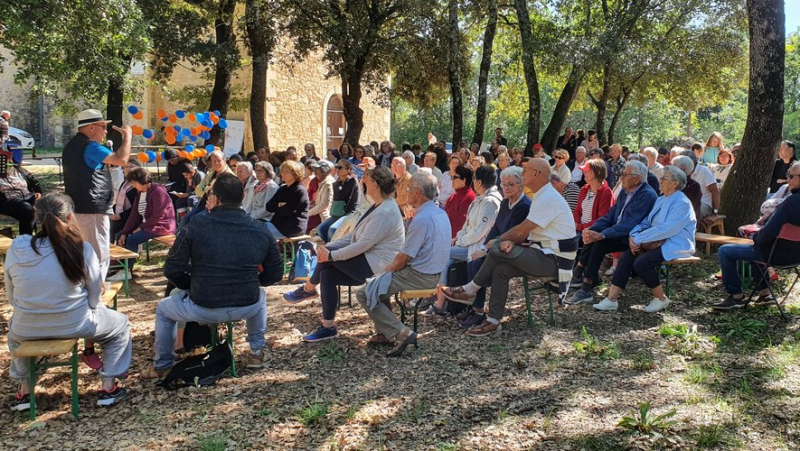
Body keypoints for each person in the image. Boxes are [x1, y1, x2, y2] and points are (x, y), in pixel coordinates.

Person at [143, 174, 283, 378]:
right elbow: (276, 272)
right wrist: (253, 282)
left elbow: (172, 269)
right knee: (260, 297)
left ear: (215, 198)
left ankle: (163, 365)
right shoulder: (260, 229)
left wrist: (191, 286)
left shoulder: (195, 226)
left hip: (203, 305)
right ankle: (256, 352)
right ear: (243, 197)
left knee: (164, 309)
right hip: (247, 303)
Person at [6, 194, 132, 408]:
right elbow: (94, 296)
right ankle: (108, 387)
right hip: (75, 322)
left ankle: (25, 391)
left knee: (14, 335)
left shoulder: (18, 248)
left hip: (26, 325)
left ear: (36, 218)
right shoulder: (82, 249)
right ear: (71, 217)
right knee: (120, 326)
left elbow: (11, 295)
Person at [443, 159, 578, 336]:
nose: (523, 174)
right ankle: (493, 320)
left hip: (554, 261)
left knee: (497, 248)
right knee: (501, 269)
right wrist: (507, 241)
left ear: (536, 174)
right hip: (542, 253)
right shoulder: (542, 195)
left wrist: (499, 241)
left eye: (525, 170)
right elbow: (525, 232)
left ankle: (470, 290)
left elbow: (522, 230)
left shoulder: (547, 198)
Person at [283, 167, 405, 341]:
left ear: (375, 184)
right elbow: (353, 237)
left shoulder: (385, 211)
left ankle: (308, 289)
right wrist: (329, 248)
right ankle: (328, 326)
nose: (363, 180)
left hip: (378, 266)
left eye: (367, 177)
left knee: (327, 263)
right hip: (368, 260)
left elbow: (362, 244)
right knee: (327, 274)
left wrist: (331, 256)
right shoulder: (377, 206)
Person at [358, 173, 451, 356]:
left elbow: (404, 258)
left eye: (408, 190)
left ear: (417, 193)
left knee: (364, 292)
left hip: (420, 276)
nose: (406, 193)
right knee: (379, 284)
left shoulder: (422, 219)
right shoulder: (440, 213)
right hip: (434, 273)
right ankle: (386, 333)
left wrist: (386, 271)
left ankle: (401, 331)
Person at [592, 166, 696, 313]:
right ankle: (611, 299)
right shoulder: (661, 200)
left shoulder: (682, 203)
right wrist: (633, 236)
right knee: (628, 256)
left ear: (675, 183)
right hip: (655, 241)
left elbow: (667, 229)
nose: (660, 180)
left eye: (664, 178)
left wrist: (639, 239)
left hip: (676, 243)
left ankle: (661, 298)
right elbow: (646, 222)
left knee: (642, 262)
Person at [713, 162, 800, 310]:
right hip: (796, 257)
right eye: (787, 175)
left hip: (776, 255)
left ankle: (736, 296)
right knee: (757, 247)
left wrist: (755, 238)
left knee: (725, 251)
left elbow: (767, 233)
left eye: (791, 176)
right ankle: (765, 293)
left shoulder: (791, 202)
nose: (788, 180)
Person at [568, 161, 658, 304]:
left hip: (633, 238)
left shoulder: (646, 194)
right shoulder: (625, 191)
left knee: (598, 241)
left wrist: (603, 234)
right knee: (594, 240)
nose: (621, 178)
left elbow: (629, 224)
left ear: (637, 179)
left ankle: (582, 281)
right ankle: (585, 285)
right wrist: (592, 229)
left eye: (625, 175)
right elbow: (610, 215)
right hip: (619, 232)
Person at [62, 109, 132, 280]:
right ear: (91, 127)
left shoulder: (72, 145)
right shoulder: (89, 146)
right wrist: (128, 136)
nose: (105, 131)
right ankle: (96, 295)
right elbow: (121, 160)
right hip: (91, 208)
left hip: (80, 206)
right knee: (98, 254)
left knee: (85, 252)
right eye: (103, 126)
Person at [426, 166, 502, 316]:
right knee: (446, 259)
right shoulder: (480, 199)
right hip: (468, 243)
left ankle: (440, 298)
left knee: (443, 253)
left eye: (474, 179)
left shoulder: (489, 202)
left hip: (478, 247)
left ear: (479, 182)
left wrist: (459, 241)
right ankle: (441, 301)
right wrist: (457, 238)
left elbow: (479, 232)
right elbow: (467, 225)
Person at [108, 167, 176, 281]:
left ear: (142, 181)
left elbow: (157, 216)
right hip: (148, 225)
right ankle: (119, 268)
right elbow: (134, 215)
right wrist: (125, 231)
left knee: (132, 239)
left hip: (161, 226)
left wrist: (140, 228)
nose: (133, 186)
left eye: (134, 183)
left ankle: (127, 271)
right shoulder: (140, 193)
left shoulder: (158, 191)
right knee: (120, 235)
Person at [180, 150, 233, 227]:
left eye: (219, 160)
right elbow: (198, 189)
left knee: (195, 219)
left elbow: (221, 195)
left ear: (225, 160)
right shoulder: (211, 172)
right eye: (213, 161)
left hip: (216, 207)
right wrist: (207, 192)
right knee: (186, 218)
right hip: (203, 203)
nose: (216, 163)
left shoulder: (228, 175)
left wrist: (206, 191)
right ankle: (180, 238)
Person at [265, 160, 309, 239]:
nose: (283, 174)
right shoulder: (282, 188)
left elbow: (287, 211)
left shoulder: (299, 190)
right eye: (282, 172)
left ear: (295, 173)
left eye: (287, 172)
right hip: (277, 224)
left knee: (258, 233)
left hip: (292, 227)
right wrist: (279, 205)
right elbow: (268, 206)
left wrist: (276, 207)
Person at [317, 159, 359, 242]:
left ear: (348, 170)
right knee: (321, 229)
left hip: (349, 213)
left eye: (340, 167)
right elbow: (336, 198)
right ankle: (330, 247)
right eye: (336, 167)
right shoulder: (337, 183)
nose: (337, 170)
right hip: (337, 212)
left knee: (332, 230)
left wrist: (339, 186)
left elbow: (347, 198)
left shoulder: (352, 181)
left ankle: (332, 250)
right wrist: (337, 185)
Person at [572, 159, 614, 236]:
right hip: (579, 230)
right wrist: (576, 224)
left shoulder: (606, 192)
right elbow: (577, 211)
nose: (584, 172)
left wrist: (580, 227)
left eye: (587, 170)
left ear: (597, 173)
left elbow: (602, 220)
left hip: (592, 232)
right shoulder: (584, 189)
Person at [0, 161, 43, 235]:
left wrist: (38, 191)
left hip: (27, 198)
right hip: (7, 201)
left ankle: (50, 238)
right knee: (27, 208)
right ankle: (25, 239)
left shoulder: (20, 170)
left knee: (50, 203)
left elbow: (34, 182)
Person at [681, 150, 720, 223]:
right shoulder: (683, 173)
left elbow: (715, 193)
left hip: (703, 204)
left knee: (686, 213)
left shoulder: (704, 171)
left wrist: (715, 213)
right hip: (688, 203)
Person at [110, 160, 140, 239]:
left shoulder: (139, 186)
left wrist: (120, 216)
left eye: (131, 167)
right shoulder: (124, 184)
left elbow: (137, 208)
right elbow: (119, 203)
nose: (128, 169)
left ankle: (111, 249)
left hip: (131, 218)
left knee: (110, 228)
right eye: (126, 167)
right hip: (121, 215)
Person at [444, 164, 476, 238]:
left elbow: (460, 226)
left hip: (455, 242)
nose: (452, 179)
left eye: (455, 177)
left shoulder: (469, 198)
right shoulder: (453, 197)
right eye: (451, 177)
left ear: (463, 180)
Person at [306, 160, 335, 233]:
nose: (315, 173)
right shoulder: (322, 182)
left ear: (324, 171)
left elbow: (324, 205)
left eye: (317, 170)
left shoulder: (328, 183)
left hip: (322, 216)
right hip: (317, 213)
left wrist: (308, 213)